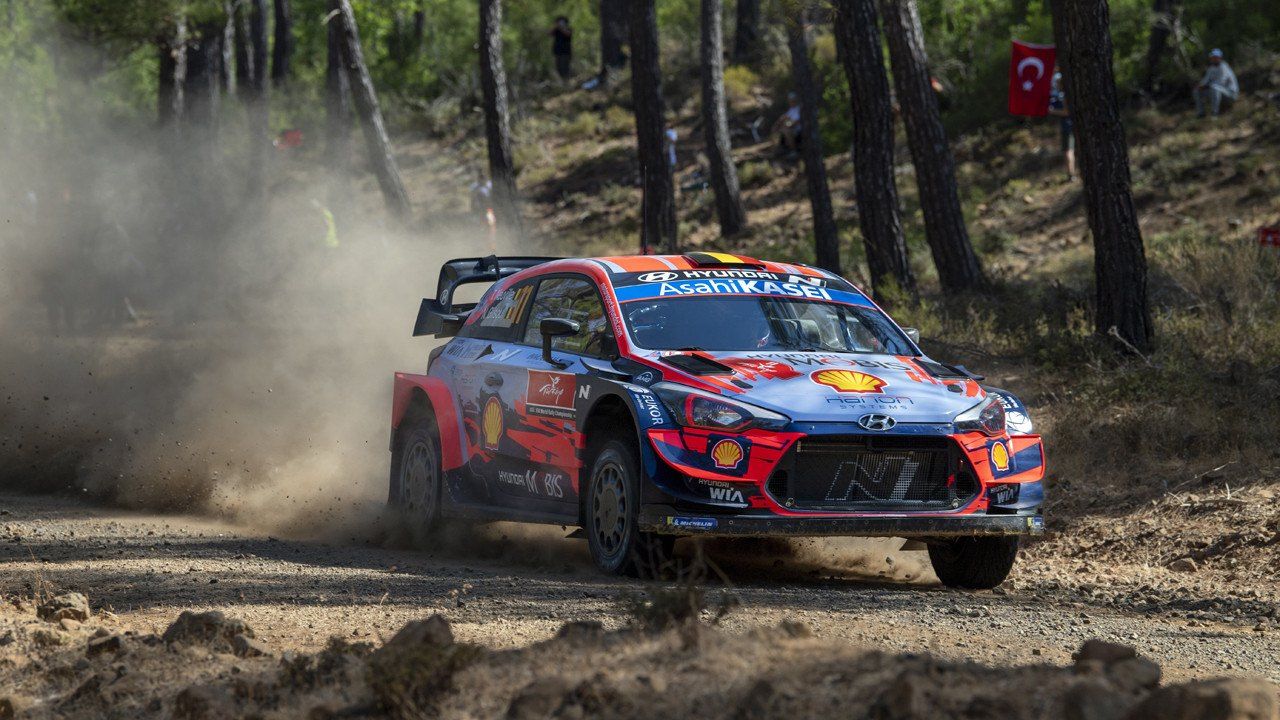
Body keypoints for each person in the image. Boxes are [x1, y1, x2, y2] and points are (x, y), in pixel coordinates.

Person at [1195, 48, 1239, 118]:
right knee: (1197, 91)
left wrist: (1206, 86)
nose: (1213, 59)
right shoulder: (1211, 68)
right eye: (1212, 57)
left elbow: (1221, 83)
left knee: (1214, 87)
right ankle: (1201, 113)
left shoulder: (1224, 67)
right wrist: (1200, 86)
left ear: (1220, 58)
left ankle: (1214, 113)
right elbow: (1204, 81)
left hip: (1231, 94)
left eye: (1215, 57)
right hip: (1218, 92)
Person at [1048, 70, 1076, 182]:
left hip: (1067, 126)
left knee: (1068, 151)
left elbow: (1066, 112)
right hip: (1068, 125)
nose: (1056, 85)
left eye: (1058, 83)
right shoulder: (1061, 95)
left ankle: (1071, 175)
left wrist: (1052, 111)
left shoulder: (1064, 96)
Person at [771, 92, 802, 158]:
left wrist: (787, 125)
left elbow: (796, 121)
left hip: (798, 130)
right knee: (779, 130)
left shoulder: (798, 109)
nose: (790, 102)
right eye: (790, 100)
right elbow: (783, 117)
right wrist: (776, 125)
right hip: (791, 128)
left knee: (786, 131)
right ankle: (779, 149)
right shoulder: (791, 109)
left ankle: (794, 151)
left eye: (792, 100)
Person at [550, 16, 573, 81]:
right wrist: (555, 27)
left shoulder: (569, 29)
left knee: (565, 67)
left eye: (562, 22)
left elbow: (568, 34)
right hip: (557, 52)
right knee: (558, 67)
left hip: (566, 52)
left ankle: (567, 81)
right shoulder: (556, 30)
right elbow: (549, 33)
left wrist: (561, 28)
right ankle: (562, 81)